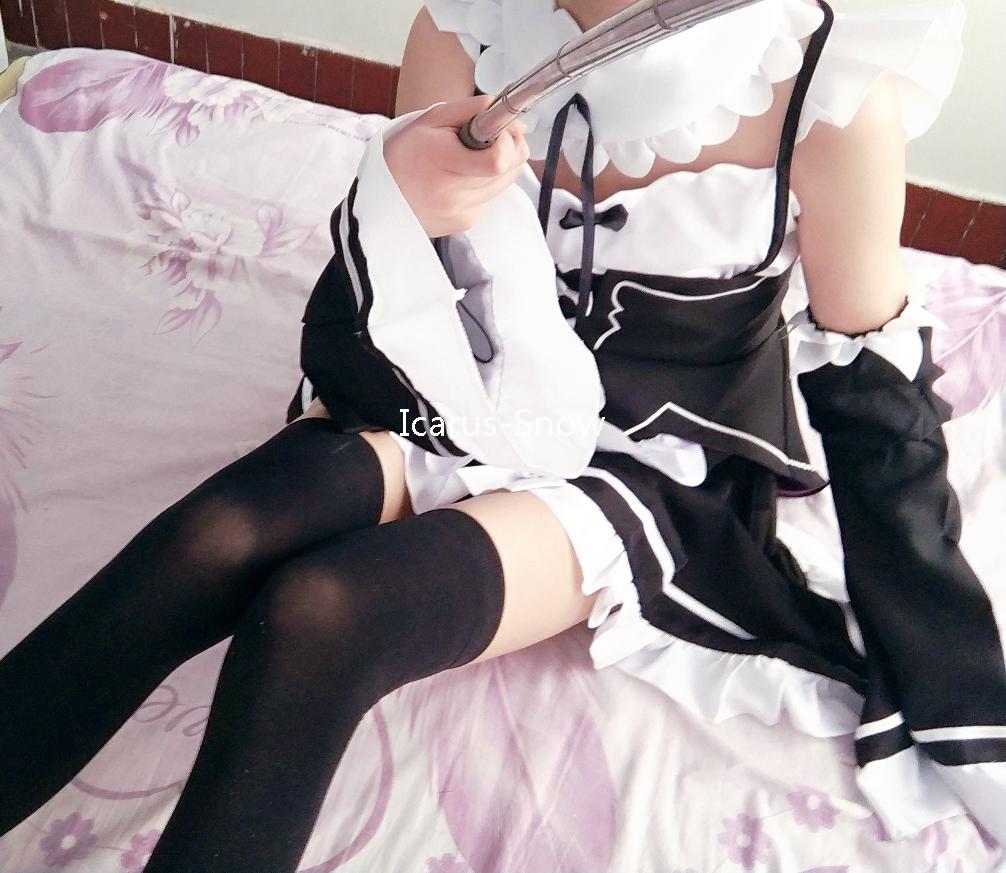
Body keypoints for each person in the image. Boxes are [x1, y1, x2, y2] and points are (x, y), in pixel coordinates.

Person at [1, 1, 1000, 871]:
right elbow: (396, 318)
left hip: (651, 463)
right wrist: (401, 208)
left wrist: (953, 673)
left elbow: (874, 407)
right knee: (213, 534)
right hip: (463, 388)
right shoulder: (469, 24)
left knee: (325, 611)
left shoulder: (825, 73)